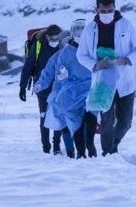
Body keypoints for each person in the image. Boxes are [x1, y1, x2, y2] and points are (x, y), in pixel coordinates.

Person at [77, 0, 136, 156]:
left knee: (125, 122)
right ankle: (108, 154)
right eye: (103, 10)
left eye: (110, 10)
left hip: (125, 80)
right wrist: (94, 64)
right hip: (103, 81)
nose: (107, 13)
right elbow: (81, 55)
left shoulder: (126, 25)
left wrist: (127, 59)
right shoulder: (90, 29)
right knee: (106, 121)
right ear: (96, 10)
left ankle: (113, 144)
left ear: (115, 8)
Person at [35, 19, 98, 159]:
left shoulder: (93, 48)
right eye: (77, 30)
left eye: (82, 30)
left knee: (90, 118)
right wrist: (57, 78)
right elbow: (51, 73)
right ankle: (75, 151)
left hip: (90, 89)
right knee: (73, 123)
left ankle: (90, 145)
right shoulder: (63, 54)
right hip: (70, 92)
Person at [19, 24, 64, 154]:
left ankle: (56, 146)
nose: (55, 42)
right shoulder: (38, 46)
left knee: (58, 116)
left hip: (59, 88)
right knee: (44, 116)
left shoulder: (63, 46)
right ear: (47, 36)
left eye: (57, 39)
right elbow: (28, 67)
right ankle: (46, 147)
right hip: (42, 88)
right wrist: (22, 87)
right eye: (53, 39)